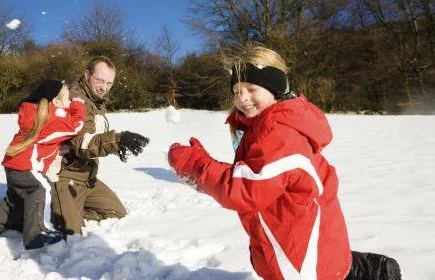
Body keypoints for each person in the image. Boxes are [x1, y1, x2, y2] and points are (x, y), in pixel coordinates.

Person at [167, 44, 402, 280]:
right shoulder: (265, 127)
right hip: (299, 240)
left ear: (275, 88)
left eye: (251, 88)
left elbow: (244, 190)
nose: (242, 98)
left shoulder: (280, 134)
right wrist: (202, 177)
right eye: (236, 91)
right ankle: (354, 269)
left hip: (300, 260)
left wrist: (197, 164)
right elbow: (256, 179)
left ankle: (360, 271)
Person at [0, 80, 85, 250]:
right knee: (42, 188)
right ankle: (37, 234)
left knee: (13, 205)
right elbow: (76, 126)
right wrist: (78, 107)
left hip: (14, 166)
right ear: (56, 102)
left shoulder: (34, 112)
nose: (70, 101)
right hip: (26, 168)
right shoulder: (52, 119)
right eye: (68, 99)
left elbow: (48, 139)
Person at [50, 56, 149, 235]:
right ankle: (49, 207)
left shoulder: (94, 100)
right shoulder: (75, 99)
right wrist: (116, 140)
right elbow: (80, 144)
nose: (104, 87)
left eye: (109, 83)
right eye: (99, 80)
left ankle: (70, 210)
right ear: (87, 74)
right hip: (64, 175)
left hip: (86, 175)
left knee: (115, 213)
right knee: (69, 233)